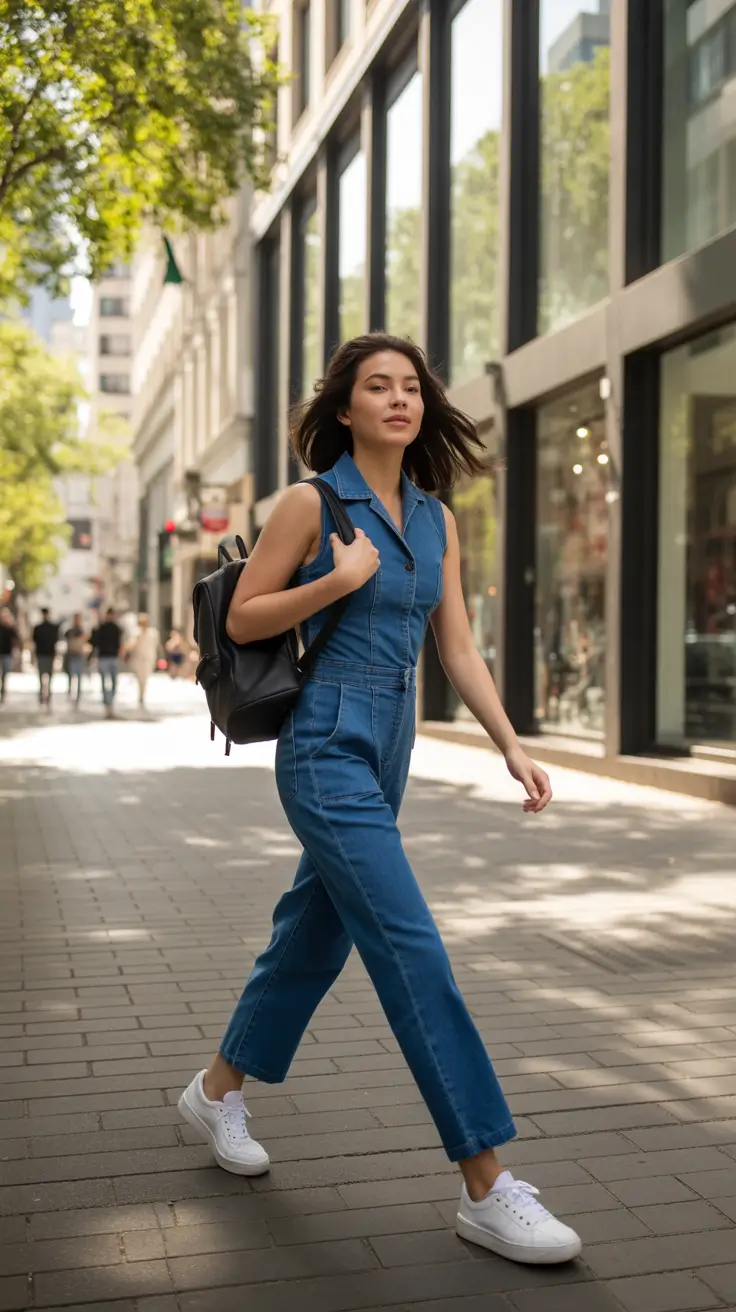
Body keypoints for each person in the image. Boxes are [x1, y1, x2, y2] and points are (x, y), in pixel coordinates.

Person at [178, 333, 581, 1266]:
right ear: (346, 407)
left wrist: (511, 747)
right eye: (377, 387)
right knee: (409, 947)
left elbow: (458, 649)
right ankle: (487, 1181)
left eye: (411, 387)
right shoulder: (311, 503)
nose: (398, 399)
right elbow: (243, 616)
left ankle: (214, 1091)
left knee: (312, 933)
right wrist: (337, 579)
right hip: (322, 744)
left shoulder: (436, 518)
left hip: (390, 743)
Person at [90, 607, 123, 717]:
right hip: (103, 657)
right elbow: (94, 642)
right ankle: (107, 702)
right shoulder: (101, 628)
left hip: (113, 657)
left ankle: (110, 701)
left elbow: (119, 643)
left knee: (113, 682)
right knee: (105, 681)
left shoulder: (116, 629)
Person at [126, 613, 160, 708]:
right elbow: (131, 645)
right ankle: (140, 694)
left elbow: (156, 646)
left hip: (149, 658)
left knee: (145, 677)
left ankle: (142, 694)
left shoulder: (153, 633)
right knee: (140, 677)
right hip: (138, 659)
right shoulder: (136, 633)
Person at [32, 608, 59, 708]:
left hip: (48, 654)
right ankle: (42, 694)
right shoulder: (38, 628)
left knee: (47, 676)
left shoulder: (51, 628)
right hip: (42, 654)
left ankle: (47, 694)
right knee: (42, 676)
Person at [64, 614, 88, 707]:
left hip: (79, 656)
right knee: (71, 677)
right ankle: (70, 694)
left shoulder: (82, 630)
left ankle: (78, 696)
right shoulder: (70, 631)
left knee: (79, 678)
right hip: (72, 656)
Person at [0, 607, 20, 705]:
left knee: (5, 674)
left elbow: (16, 639)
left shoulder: (10, 629)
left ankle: (2, 692)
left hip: (7, 653)